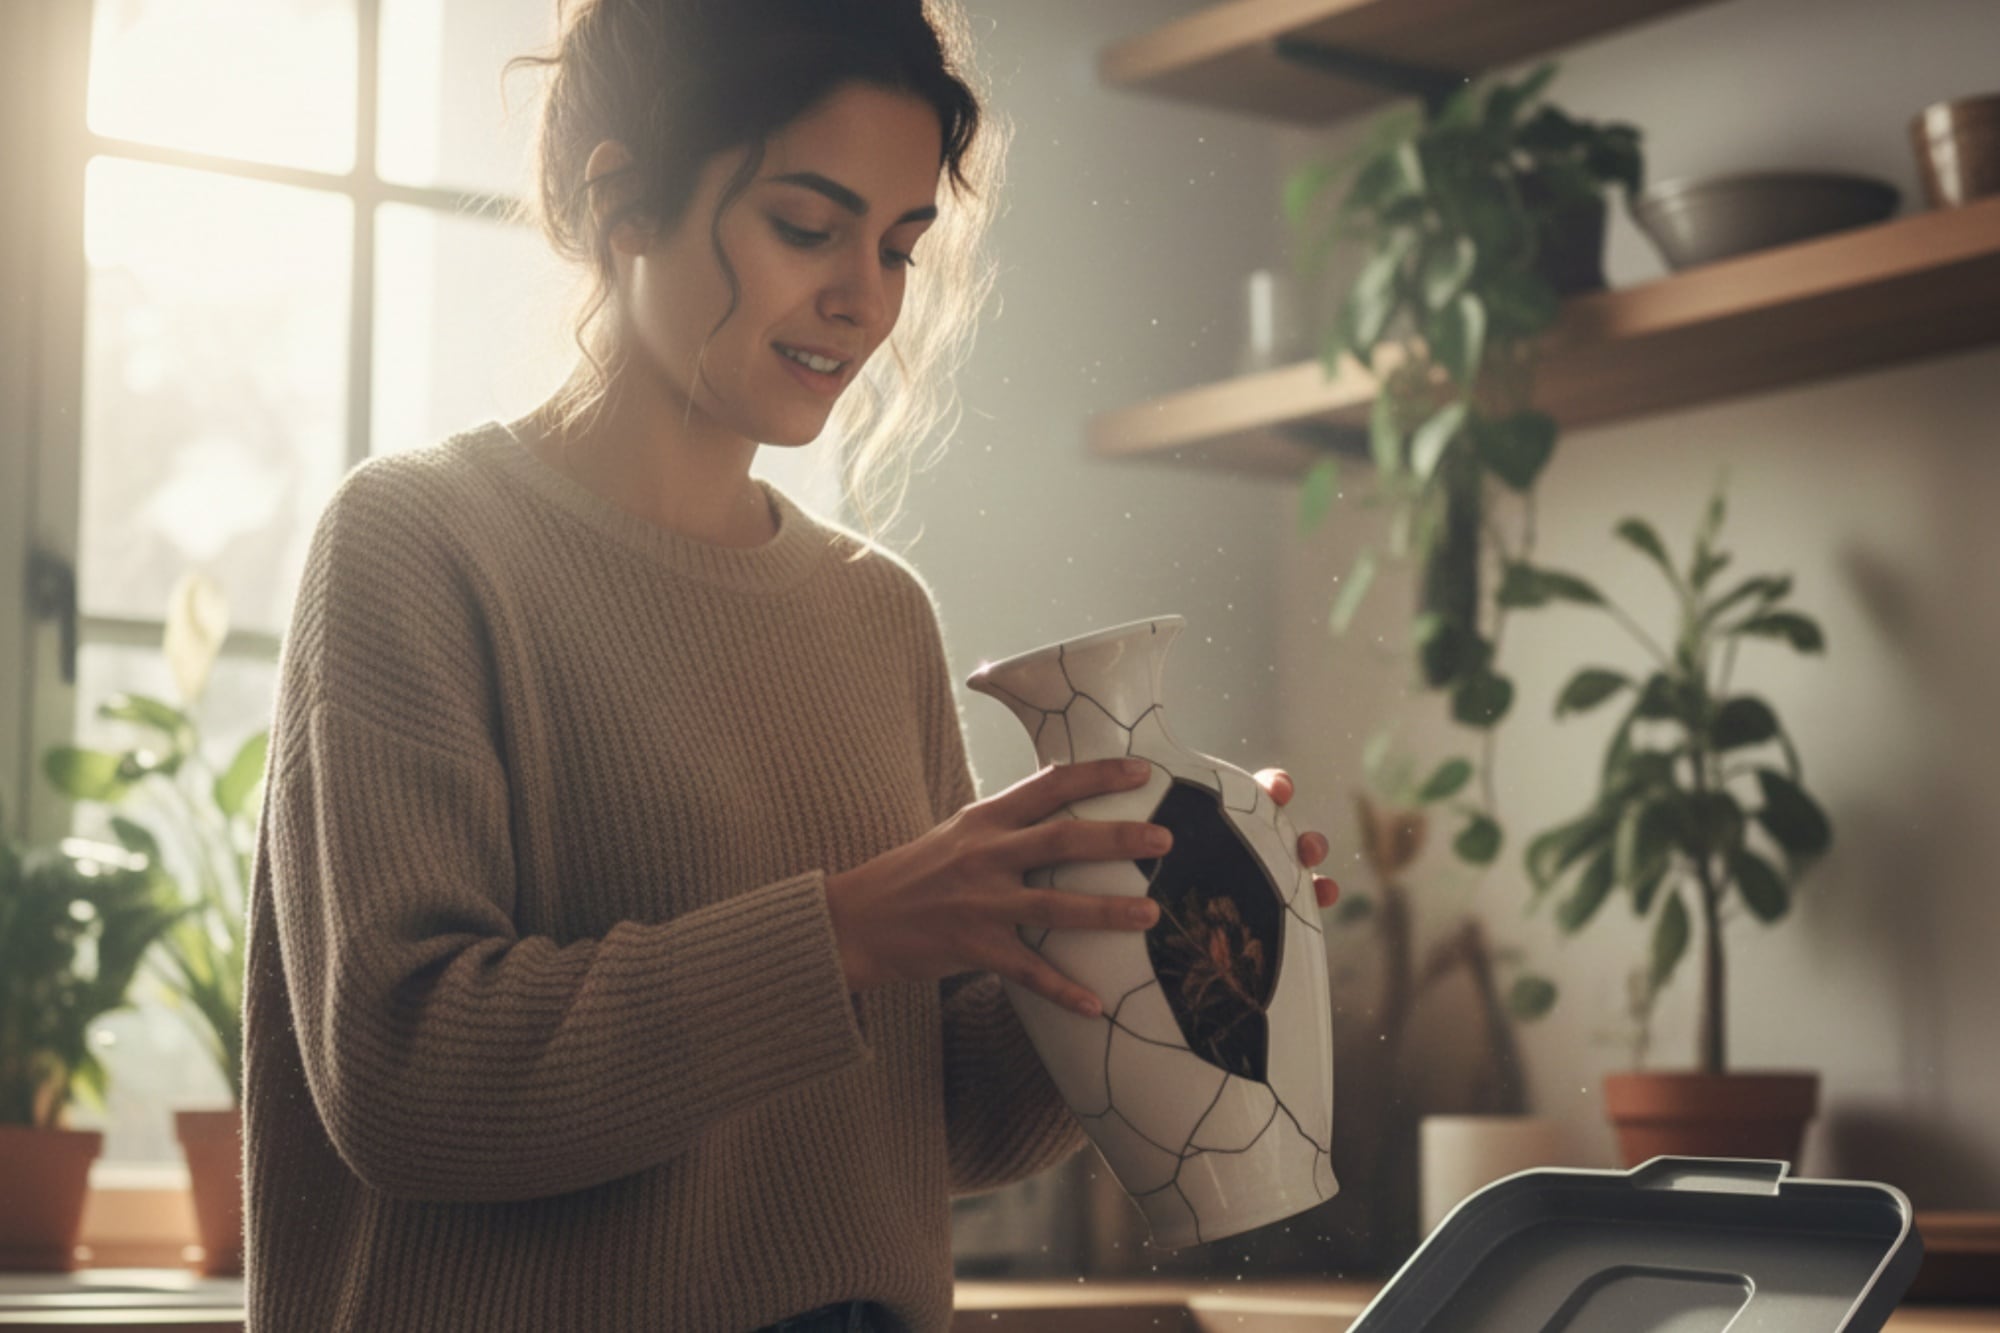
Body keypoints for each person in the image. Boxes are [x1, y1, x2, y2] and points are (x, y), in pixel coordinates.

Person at [240, 2, 1340, 1330]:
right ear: (624, 201)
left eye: (897, 246)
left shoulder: (878, 613)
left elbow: (928, 1125)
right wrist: (849, 926)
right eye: (807, 229)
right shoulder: (417, 544)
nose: (862, 298)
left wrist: (1141, 950)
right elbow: (406, 1077)